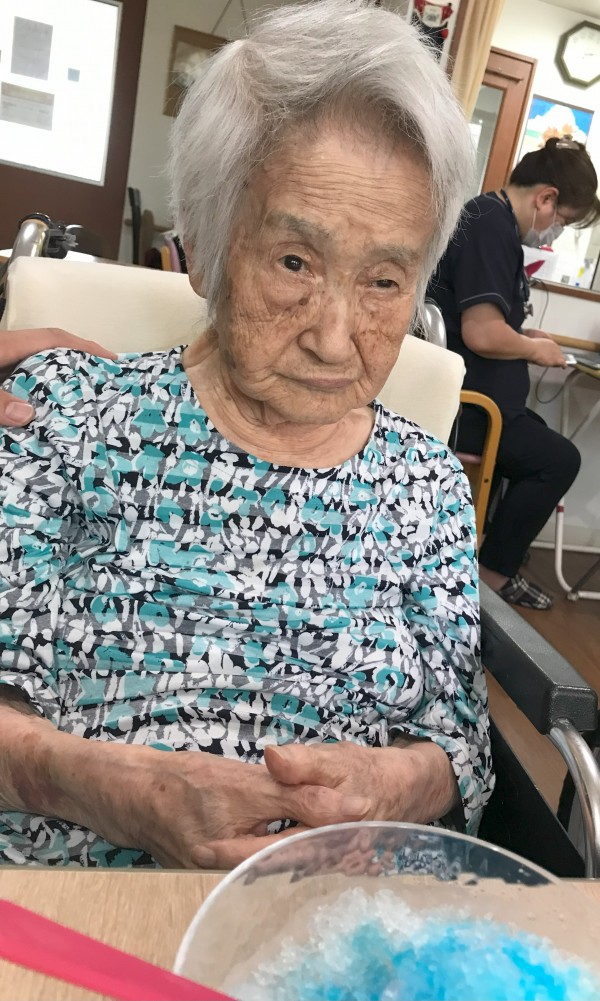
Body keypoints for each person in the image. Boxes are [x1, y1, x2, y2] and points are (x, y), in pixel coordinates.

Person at [0, 0, 492, 869]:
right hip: (83, 909)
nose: (335, 338)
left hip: (340, 917)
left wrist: (395, 786)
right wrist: (118, 790)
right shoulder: (65, 415)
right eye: (296, 262)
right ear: (205, 247)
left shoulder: (429, 483)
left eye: (384, 281)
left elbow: (460, 744)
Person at [427, 139, 600, 610]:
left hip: (481, 402)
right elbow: (481, 333)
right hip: (470, 410)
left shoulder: (492, 221)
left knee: (539, 439)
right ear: (546, 198)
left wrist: (524, 335)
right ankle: (493, 577)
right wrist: (534, 350)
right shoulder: (490, 227)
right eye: (563, 220)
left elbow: (487, 321)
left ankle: (492, 560)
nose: (556, 231)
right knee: (559, 460)